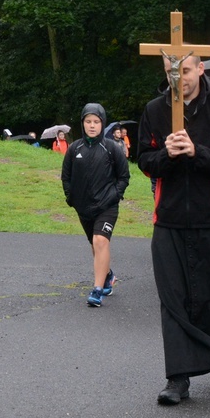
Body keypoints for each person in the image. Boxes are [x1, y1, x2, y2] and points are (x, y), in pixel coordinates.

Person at [137, 53, 210, 406]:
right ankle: (177, 378)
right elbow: (143, 161)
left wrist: (196, 151)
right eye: (172, 72)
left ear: (200, 69)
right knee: (173, 300)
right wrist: (167, 155)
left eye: (184, 71)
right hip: (168, 220)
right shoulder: (155, 110)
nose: (178, 78)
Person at [61, 103, 130, 308]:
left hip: (107, 206)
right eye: (88, 122)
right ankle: (107, 276)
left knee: (100, 240)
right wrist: (71, 198)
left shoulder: (111, 148)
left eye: (96, 122)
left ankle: (97, 290)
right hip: (83, 207)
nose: (92, 126)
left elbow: (124, 177)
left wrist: (114, 195)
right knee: (95, 245)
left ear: (103, 123)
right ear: (82, 124)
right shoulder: (75, 149)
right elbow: (66, 177)